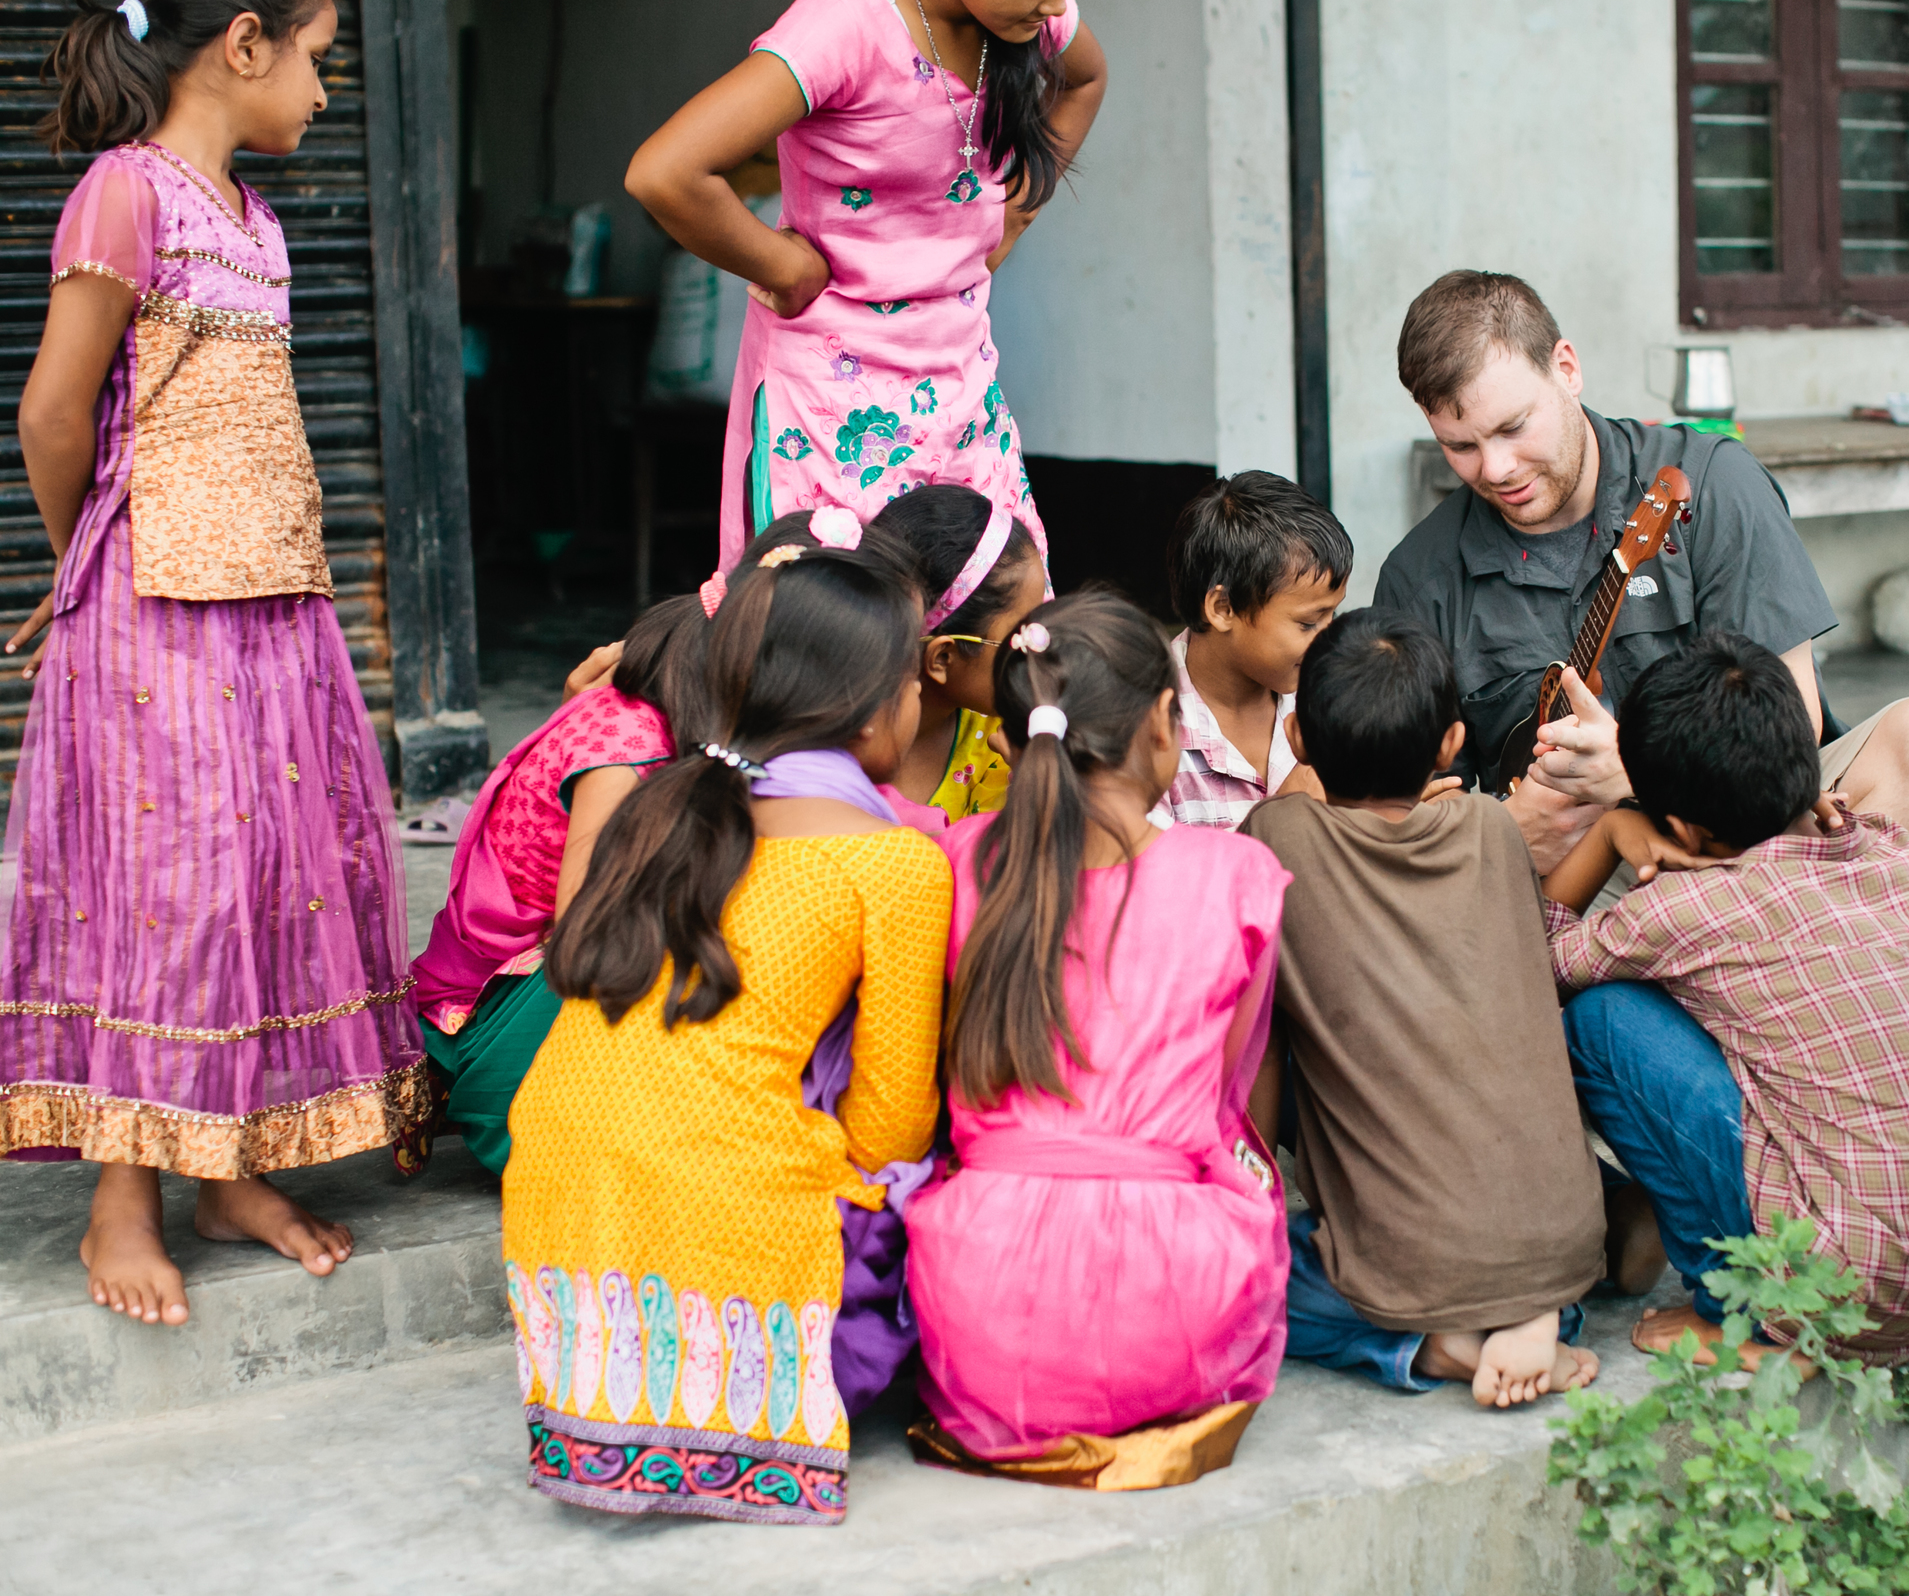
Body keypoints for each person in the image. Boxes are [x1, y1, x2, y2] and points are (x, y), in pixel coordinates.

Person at [0, 0, 421, 1328]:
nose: (321, 89)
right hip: (154, 611)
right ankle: (124, 1192)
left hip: (272, 603)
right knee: (160, 888)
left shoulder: (254, 216)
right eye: (314, 60)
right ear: (241, 49)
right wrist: (90, 574)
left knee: (265, 866)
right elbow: (55, 416)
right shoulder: (126, 197)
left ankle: (232, 1161)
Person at [503, 545, 950, 1525]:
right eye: (918, 676)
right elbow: (890, 1122)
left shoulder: (664, 806)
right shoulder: (897, 863)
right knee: (921, 1206)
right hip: (709, 1203)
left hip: (553, 1186)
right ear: (875, 709)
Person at [1372, 270, 1909, 908]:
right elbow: (1398, 814)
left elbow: (1790, 736)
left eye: (1513, 427)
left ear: (1567, 368)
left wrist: (1638, 778)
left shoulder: (1712, 482)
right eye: (1460, 447)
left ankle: (1905, 999)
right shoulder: (1420, 580)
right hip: (1586, 871)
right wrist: (1499, 835)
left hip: (1768, 820)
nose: (1495, 469)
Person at [1543, 633, 1909, 1361]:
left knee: (1602, 1019)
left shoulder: (1686, 908)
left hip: (1860, 1297)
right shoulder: (1879, 842)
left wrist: (1611, 829)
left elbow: (1538, 962)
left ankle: (1739, 1313)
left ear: (1682, 828)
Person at [907, 591, 1291, 1490]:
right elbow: (1229, 1103)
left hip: (977, 1301)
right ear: (1165, 722)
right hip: (1178, 1296)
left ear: (1010, 739)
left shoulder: (958, 861)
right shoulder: (1238, 874)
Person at [624, 0, 1109, 573]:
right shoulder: (847, 21)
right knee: (848, 630)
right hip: (833, 391)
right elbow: (666, 173)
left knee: (986, 619)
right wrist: (785, 266)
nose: (1058, 7)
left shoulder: (1020, 18)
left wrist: (1016, 212)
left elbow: (1086, 78)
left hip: (963, 378)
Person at [1240, 610, 1605, 1407]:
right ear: (1450, 743)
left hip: (1409, 1269)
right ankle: (1541, 1313)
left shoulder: (1275, 838)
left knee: (1250, 1276)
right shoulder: (1490, 830)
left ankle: (1431, 1346)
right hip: (1564, 1246)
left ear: (1296, 737)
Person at [402, 594, 707, 1178]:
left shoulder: (610, 707)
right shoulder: (629, 752)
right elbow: (584, 927)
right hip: (511, 995)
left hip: (487, 965)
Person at [1154, 471, 1349, 830]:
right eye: (1308, 623)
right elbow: (1150, 877)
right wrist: (1279, 819)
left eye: (1334, 614)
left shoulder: (1332, 693)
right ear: (1223, 608)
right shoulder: (1140, 725)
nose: (1330, 639)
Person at [867, 483, 1047, 821]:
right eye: (1024, 638)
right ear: (943, 658)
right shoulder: (833, 735)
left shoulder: (1000, 741)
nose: (1041, 651)